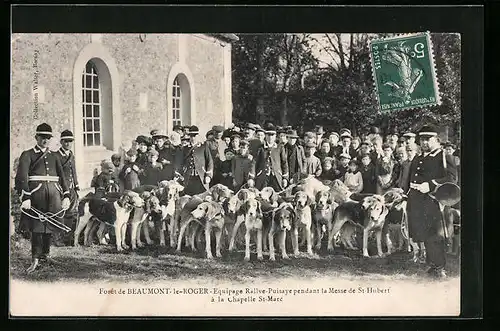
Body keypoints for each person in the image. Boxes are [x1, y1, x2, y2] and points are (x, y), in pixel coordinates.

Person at [14, 123, 71, 273]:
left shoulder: (54, 156)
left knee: (49, 226)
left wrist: (66, 195)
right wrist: (25, 196)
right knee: (37, 228)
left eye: (48, 137)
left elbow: (62, 177)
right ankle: (35, 259)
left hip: (53, 195)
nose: (45, 140)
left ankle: (46, 255)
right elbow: (21, 177)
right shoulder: (28, 154)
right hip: (36, 195)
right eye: (42, 137)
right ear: (36, 137)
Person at [406, 125, 457, 279]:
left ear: (436, 140)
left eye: (428, 139)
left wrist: (430, 184)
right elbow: (411, 178)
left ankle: (439, 267)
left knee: (436, 235)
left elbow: (452, 178)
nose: (425, 142)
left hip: (434, 201)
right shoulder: (419, 157)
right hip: (417, 201)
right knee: (423, 233)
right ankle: (431, 264)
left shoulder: (443, 156)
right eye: (422, 139)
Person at [54, 130, 80, 246]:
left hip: (72, 189)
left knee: (71, 213)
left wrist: (77, 185)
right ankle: (59, 239)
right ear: (61, 142)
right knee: (60, 212)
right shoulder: (56, 155)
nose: (68, 144)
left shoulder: (71, 154)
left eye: (70, 141)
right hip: (61, 189)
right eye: (65, 141)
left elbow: (73, 171)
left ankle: (68, 238)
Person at [252, 123, 289, 191]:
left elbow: (284, 163)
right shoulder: (260, 148)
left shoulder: (279, 147)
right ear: (265, 135)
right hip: (263, 176)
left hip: (276, 176)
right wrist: (251, 178)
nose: (270, 137)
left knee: (278, 196)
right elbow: (254, 162)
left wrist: (285, 178)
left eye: (272, 135)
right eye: (268, 135)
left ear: (275, 136)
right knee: (261, 196)